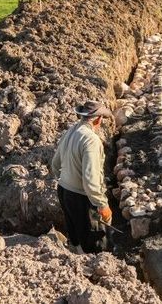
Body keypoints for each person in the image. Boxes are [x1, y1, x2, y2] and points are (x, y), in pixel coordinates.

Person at [51, 100, 113, 254]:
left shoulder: (72, 130)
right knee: (95, 244)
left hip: (64, 191)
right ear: (98, 119)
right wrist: (102, 204)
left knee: (76, 238)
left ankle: (78, 267)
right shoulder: (91, 140)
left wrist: (66, 180)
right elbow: (90, 180)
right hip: (81, 198)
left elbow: (55, 163)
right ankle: (97, 273)